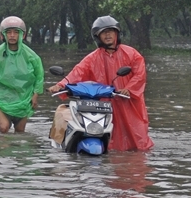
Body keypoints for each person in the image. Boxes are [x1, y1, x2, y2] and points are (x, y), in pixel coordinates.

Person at [48, 16, 154, 151]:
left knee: (138, 142)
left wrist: (128, 89)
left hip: (129, 103)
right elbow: (77, 73)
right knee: (110, 142)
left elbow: (140, 75)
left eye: (111, 31)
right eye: (104, 32)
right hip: (104, 104)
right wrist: (61, 85)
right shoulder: (92, 58)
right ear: (98, 36)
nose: (108, 34)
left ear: (117, 33)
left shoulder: (132, 54)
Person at [0, 16, 44, 133]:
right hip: (3, 99)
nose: (12, 35)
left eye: (16, 32)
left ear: (23, 35)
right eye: (8, 32)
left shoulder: (32, 56)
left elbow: (39, 76)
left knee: (20, 131)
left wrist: (36, 94)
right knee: (4, 128)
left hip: (24, 99)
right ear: (2, 35)